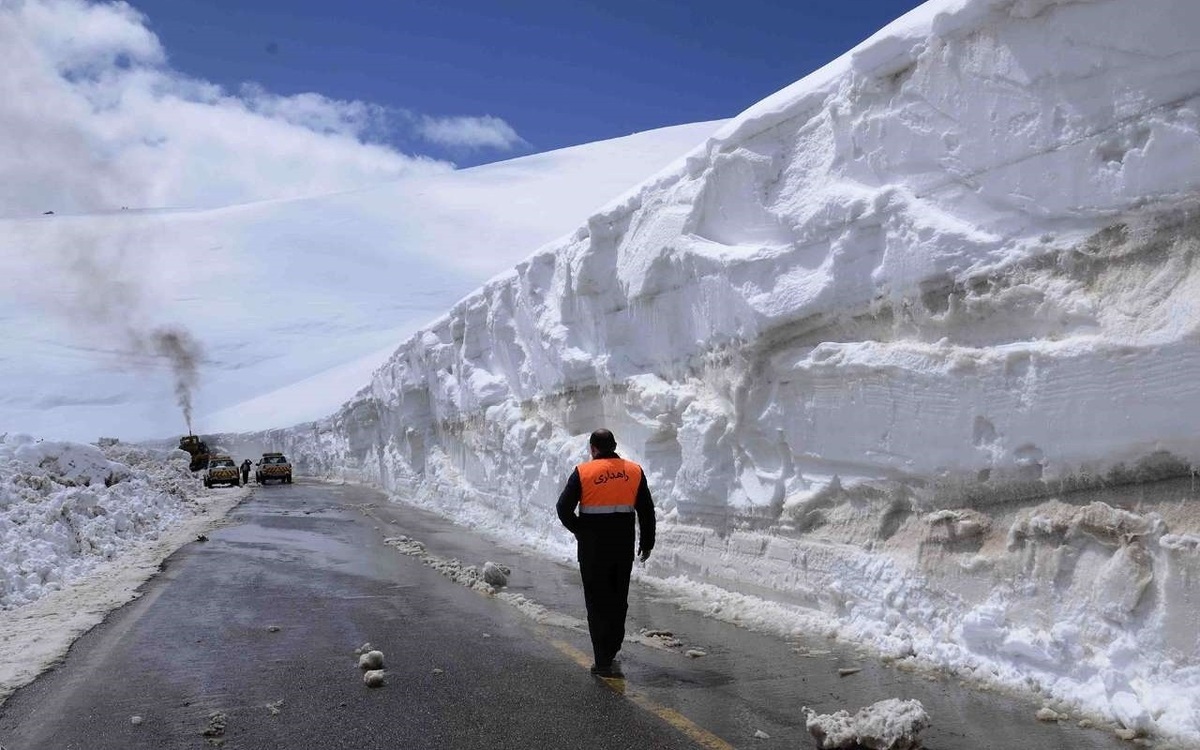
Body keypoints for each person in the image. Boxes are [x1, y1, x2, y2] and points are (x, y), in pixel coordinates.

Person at [556, 428, 655, 677]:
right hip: (622, 548)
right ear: (613, 445)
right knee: (618, 599)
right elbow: (646, 510)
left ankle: (602, 659)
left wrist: (581, 530)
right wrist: (647, 541)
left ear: (593, 449)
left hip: (592, 551)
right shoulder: (633, 471)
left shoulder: (583, 472)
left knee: (597, 602)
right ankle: (612, 646)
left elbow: (563, 508)